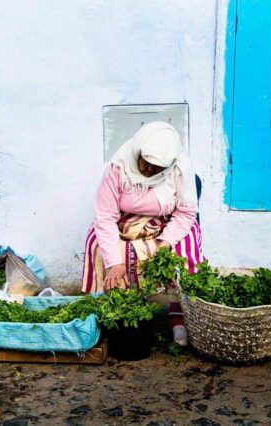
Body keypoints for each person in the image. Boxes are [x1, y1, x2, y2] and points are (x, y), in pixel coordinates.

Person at [81, 121, 205, 346]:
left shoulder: (180, 168)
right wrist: (114, 263)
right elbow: (105, 216)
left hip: (168, 222)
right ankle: (111, 312)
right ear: (138, 151)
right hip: (123, 218)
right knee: (97, 245)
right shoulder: (118, 168)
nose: (148, 171)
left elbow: (187, 213)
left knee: (184, 250)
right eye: (145, 163)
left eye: (156, 169)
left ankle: (178, 317)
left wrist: (165, 243)